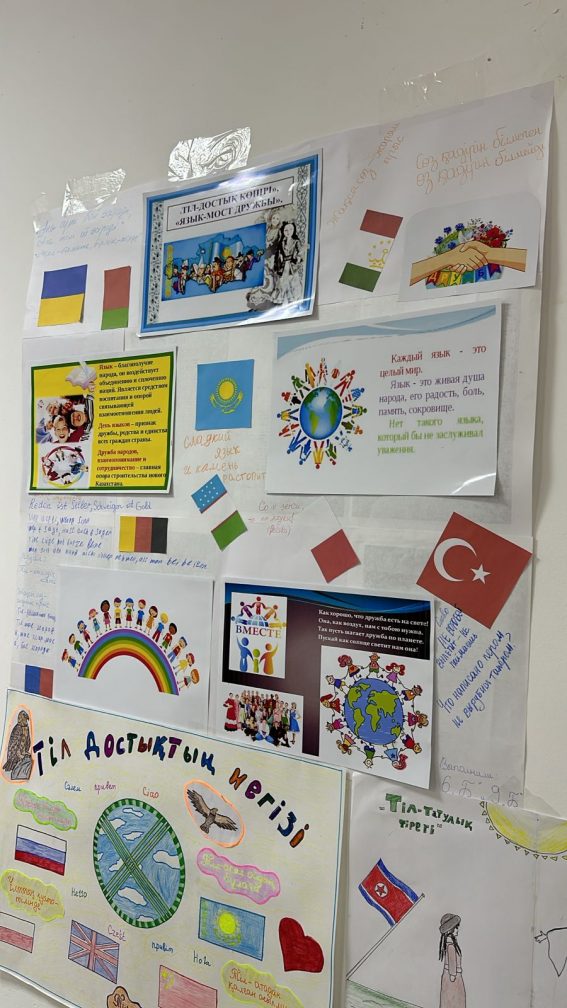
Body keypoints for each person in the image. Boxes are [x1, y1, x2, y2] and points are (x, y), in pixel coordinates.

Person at [439, 913, 466, 1008]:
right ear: (450, 929)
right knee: (454, 1001)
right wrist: (454, 976)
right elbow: (452, 965)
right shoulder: (451, 945)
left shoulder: (449, 944)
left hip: (451, 976)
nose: (458, 930)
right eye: (456, 927)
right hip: (453, 978)